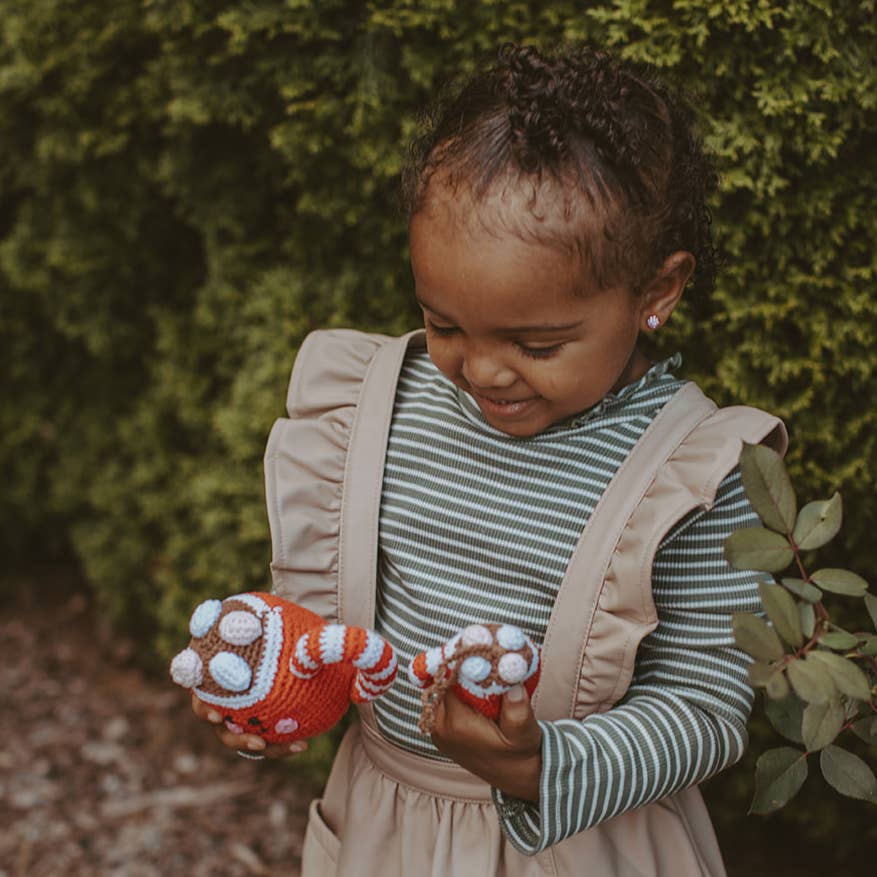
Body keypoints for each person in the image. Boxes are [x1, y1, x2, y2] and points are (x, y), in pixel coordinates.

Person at [192, 43, 786, 875]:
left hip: (581, 841)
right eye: (443, 324)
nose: (481, 370)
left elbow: (704, 710)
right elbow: (335, 631)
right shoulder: (382, 402)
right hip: (381, 824)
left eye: (535, 344)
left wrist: (541, 763)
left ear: (657, 290)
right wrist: (275, 687)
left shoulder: (692, 473)